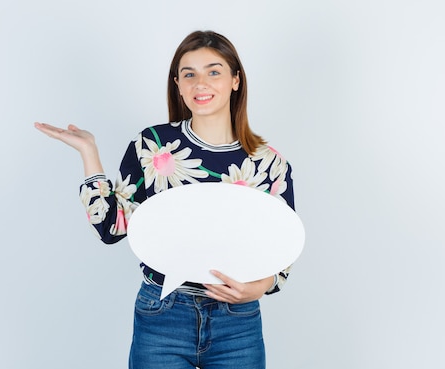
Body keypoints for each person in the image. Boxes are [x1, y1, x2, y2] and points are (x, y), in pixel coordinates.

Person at [34, 30, 295, 369]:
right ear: (178, 84)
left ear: (235, 80)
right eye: (189, 74)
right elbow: (113, 228)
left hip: (238, 324)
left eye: (213, 71)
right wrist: (89, 152)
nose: (201, 83)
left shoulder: (268, 162)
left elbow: (284, 246)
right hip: (163, 315)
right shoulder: (152, 145)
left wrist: (259, 287)